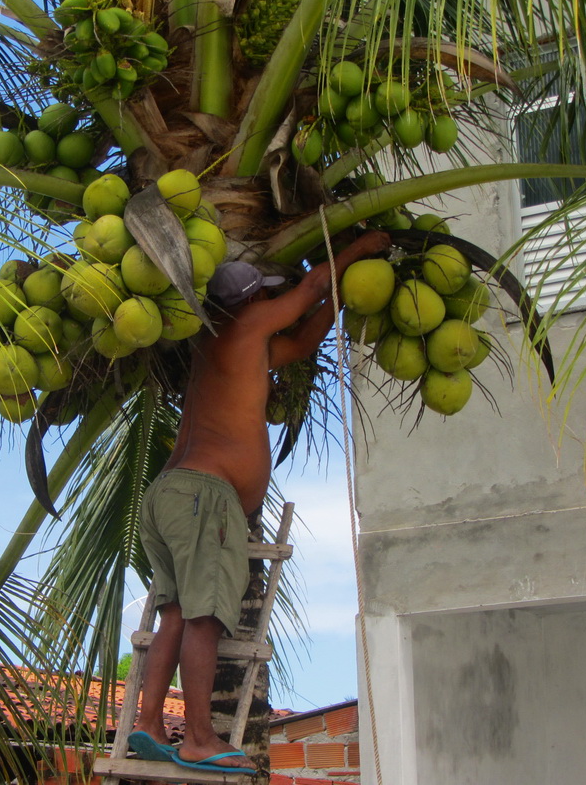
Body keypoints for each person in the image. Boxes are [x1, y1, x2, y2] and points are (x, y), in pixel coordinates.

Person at [128, 230, 391, 772]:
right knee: (204, 618)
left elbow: (299, 345)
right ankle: (199, 736)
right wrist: (358, 251)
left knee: (175, 612)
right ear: (250, 300)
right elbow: (314, 283)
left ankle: (149, 724)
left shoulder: (218, 343)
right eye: (265, 294)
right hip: (205, 498)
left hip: (169, 496)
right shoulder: (247, 323)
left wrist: (338, 300)